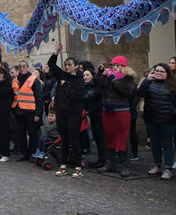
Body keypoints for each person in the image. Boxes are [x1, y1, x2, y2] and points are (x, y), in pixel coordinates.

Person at [137, 63, 176, 180]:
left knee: (167, 143)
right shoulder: (150, 83)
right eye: (156, 71)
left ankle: (168, 167)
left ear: (167, 73)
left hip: (168, 119)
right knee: (155, 143)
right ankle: (157, 164)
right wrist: (146, 81)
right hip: (151, 118)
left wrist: (175, 112)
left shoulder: (174, 85)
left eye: (161, 71)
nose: (158, 73)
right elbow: (139, 94)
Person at [47, 43, 86, 179]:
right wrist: (56, 52)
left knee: (74, 139)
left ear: (76, 66)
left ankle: (78, 167)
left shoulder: (80, 80)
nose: (67, 66)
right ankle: (63, 165)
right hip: (61, 111)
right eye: (65, 64)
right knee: (63, 139)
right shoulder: (62, 75)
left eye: (69, 64)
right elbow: (51, 64)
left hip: (74, 113)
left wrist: (67, 85)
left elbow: (76, 95)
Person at [97, 56, 136, 177]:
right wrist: (99, 74)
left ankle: (126, 165)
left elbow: (127, 91)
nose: (114, 67)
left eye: (117, 65)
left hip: (121, 110)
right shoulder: (107, 76)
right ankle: (110, 164)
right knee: (110, 137)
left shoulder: (127, 78)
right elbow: (96, 85)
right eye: (113, 65)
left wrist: (114, 81)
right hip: (107, 110)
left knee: (124, 137)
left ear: (124, 67)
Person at [12, 60, 43, 162]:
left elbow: (39, 98)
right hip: (18, 111)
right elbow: (13, 95)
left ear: (28, 68)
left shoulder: (34, 80)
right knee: (20, 134)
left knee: (32, 134)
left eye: (24, 66)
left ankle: (31, 153)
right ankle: (23, 153)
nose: (22, 68)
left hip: (30, 111)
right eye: (20, 66)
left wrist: (38, 113)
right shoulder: (15, 80)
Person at [82, 68, 106, 168]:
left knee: (101, 138)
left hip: (100, 114)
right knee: (97, 137)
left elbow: (87, 97)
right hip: (93, 114)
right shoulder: (86, 86)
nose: (85, 77)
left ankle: (104, 160)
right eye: (84, 75)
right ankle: (101, 159)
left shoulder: (96, 86)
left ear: (93, 76)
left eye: (87, 75)